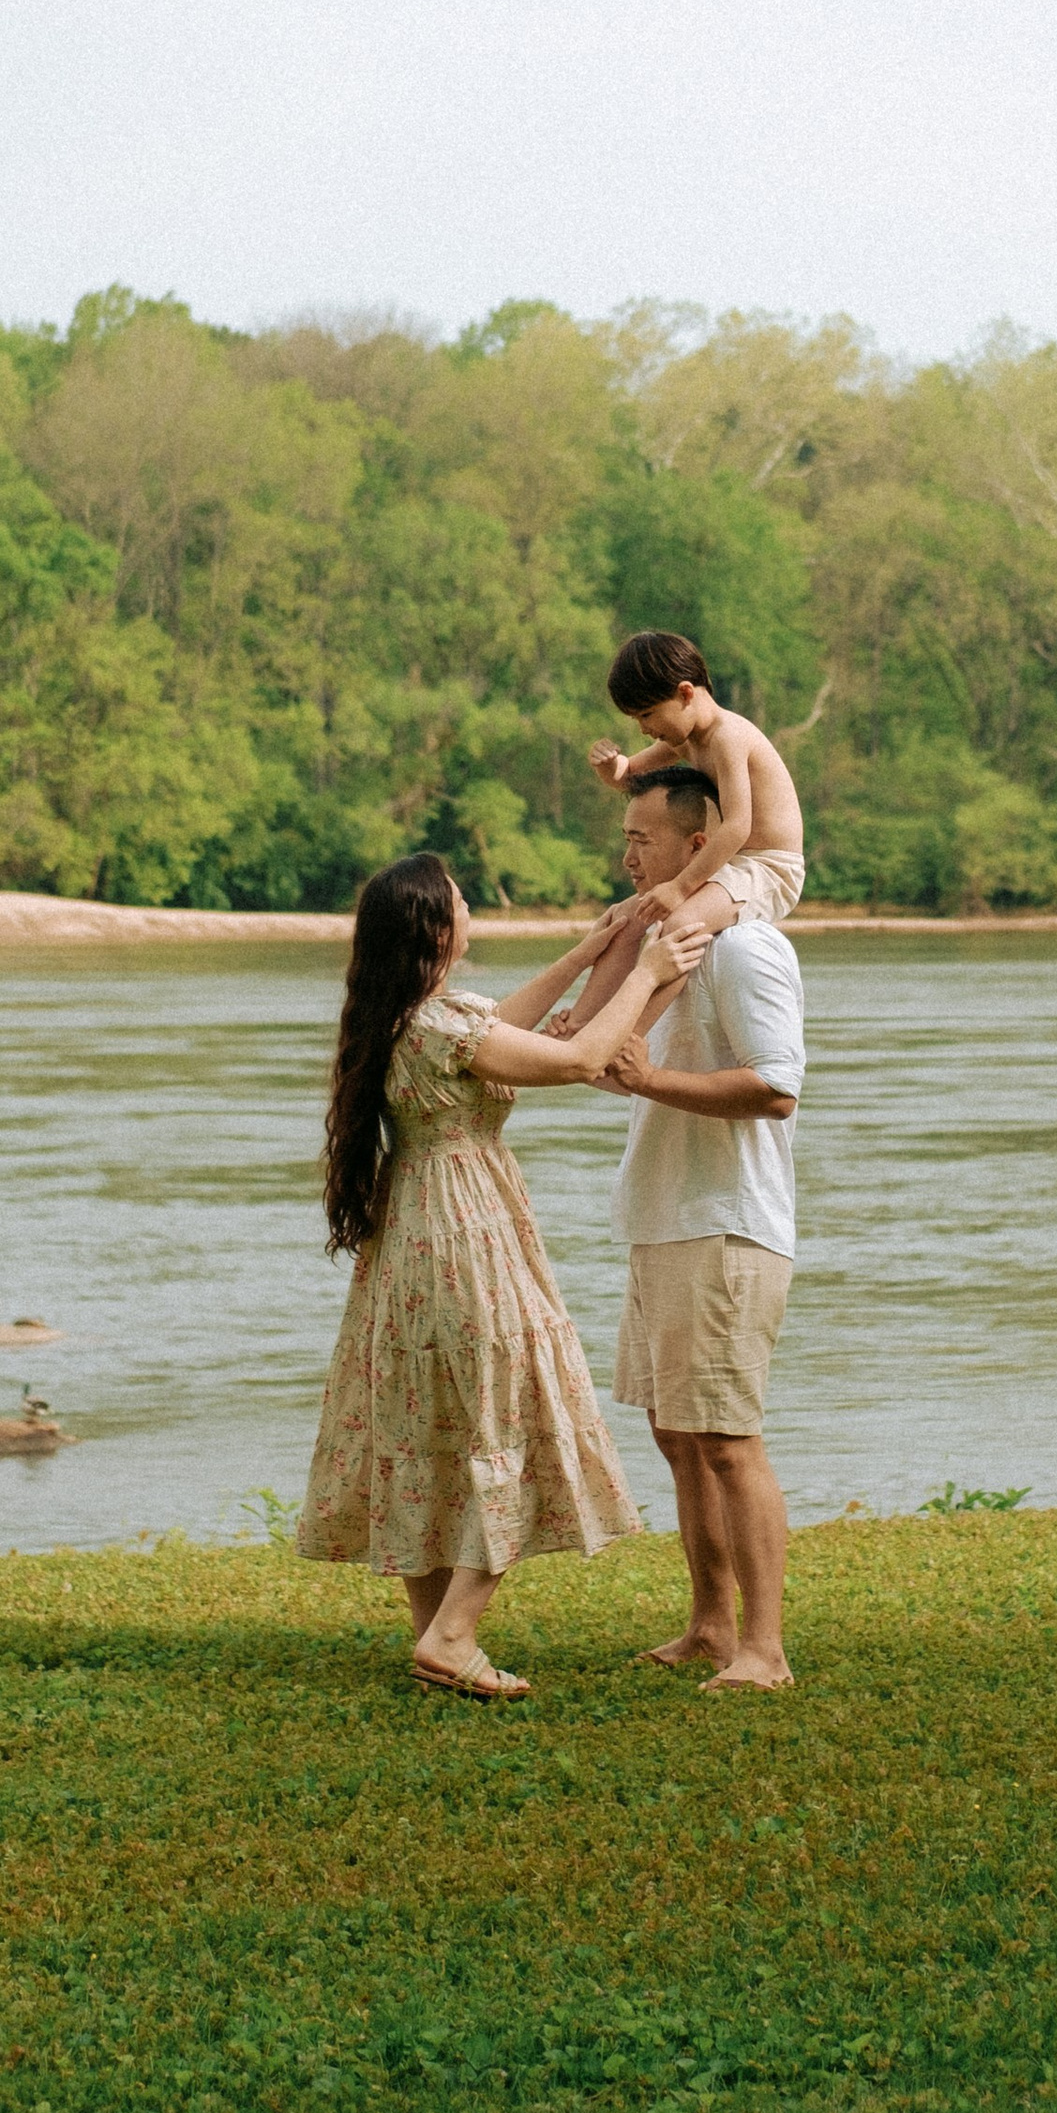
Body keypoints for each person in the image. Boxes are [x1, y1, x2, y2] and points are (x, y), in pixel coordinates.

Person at [296, 852, 701, 1703]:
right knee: (513, 1406)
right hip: (466, 1233)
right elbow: (579, 1058)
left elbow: (503, 1027)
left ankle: (435, 1636)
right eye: (460, 899)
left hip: (413, 1233)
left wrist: (588, 952)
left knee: (429, 1417)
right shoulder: (442, 1026)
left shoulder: (406, 1016)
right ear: (437, 927)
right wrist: (649, 970)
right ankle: (453, 1633)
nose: (470, 906)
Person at [597, 767, 806, 1694]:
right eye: (625, 839)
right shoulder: (673, 947)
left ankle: (766, 1650)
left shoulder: (746, 948)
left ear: (699, 848)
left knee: (726, 1439)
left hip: (725, 1225)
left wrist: (648, 1081)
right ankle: (712, 1625)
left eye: (642, 840)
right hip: (662, 1219)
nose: (627, 856)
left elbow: (775, 1087)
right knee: (677, 1435)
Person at [557, 632, 806, 1041]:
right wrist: (608, 767)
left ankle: (625, 1041)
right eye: (636, 720)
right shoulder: (687, 739)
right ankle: (579, 1027)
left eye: (648, 714)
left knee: (681, 922)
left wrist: (680, 887)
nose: (644, 729)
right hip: (728, 865)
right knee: (624, 920)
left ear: (685, 693)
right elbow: (629, 776)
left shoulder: (727, 736)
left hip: (768, 868)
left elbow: (738, 826)